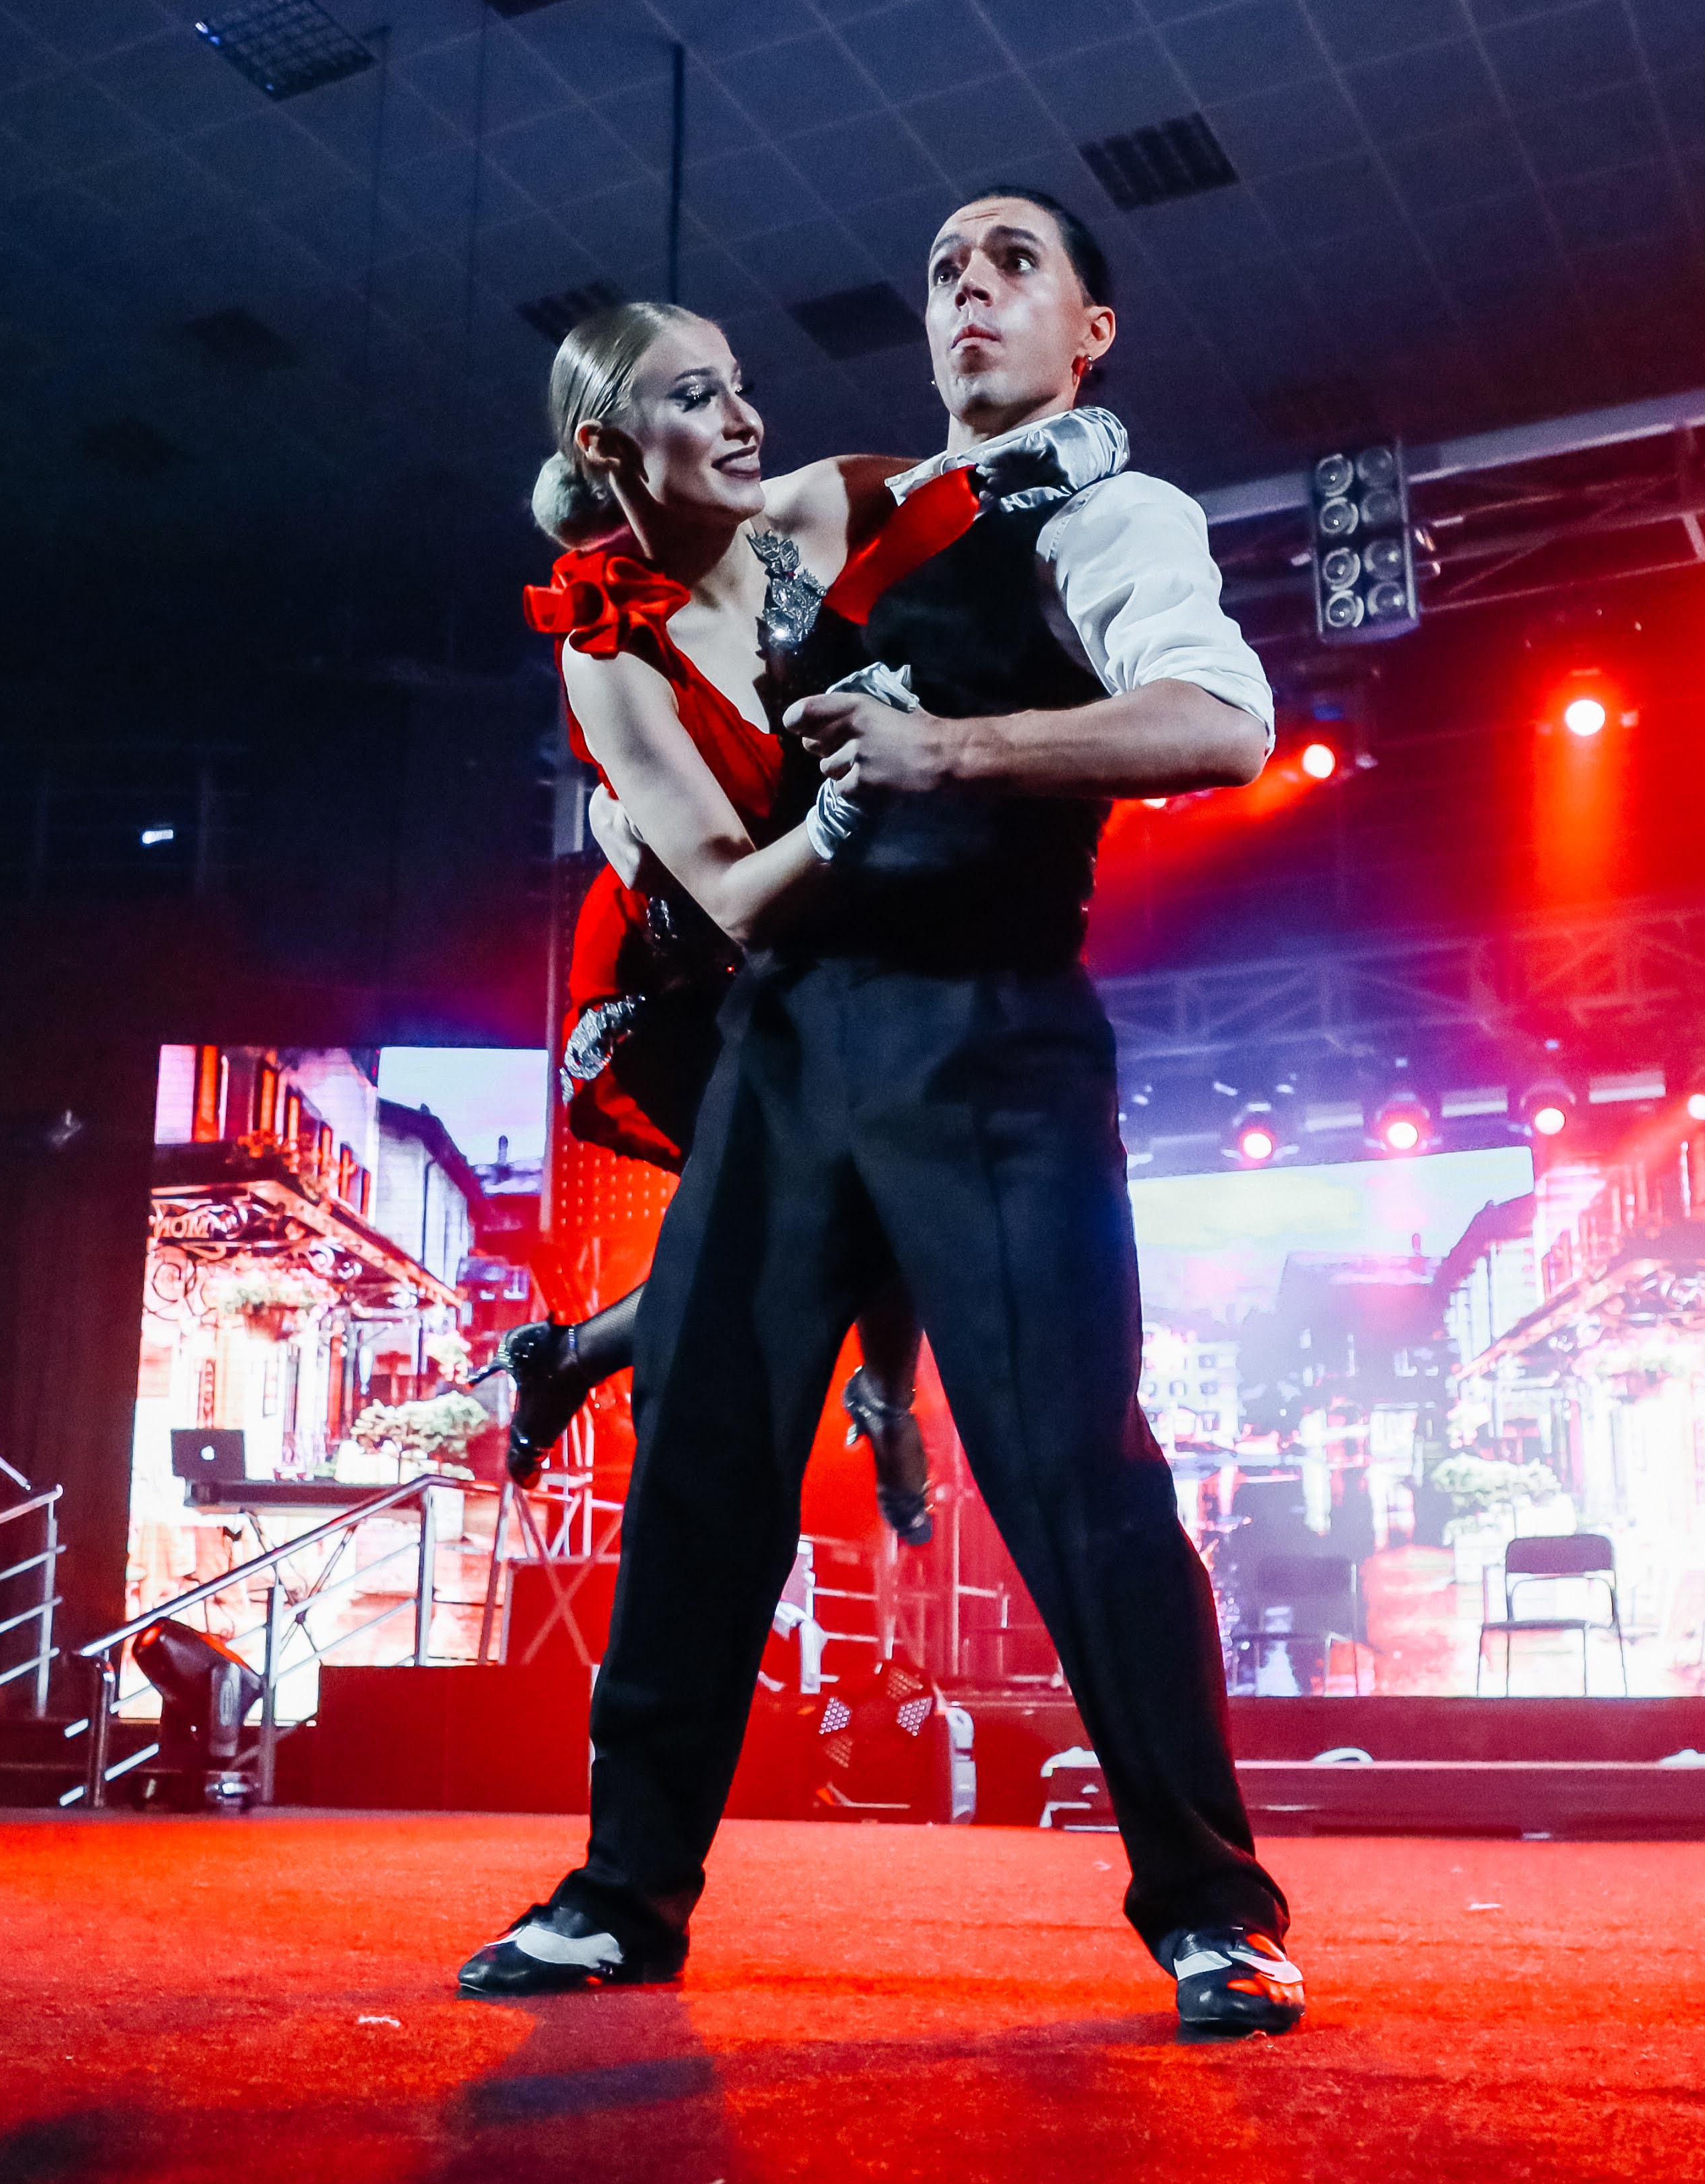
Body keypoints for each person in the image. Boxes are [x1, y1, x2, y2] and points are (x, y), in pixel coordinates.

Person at [459, 187, 1305, 2038]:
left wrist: (953, 749)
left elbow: (1222, 723)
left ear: (1089, 332)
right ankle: (622, 1896)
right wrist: (630, 771)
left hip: (989, 1029)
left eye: (1013, 263)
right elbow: (644, 538)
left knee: (1075, 1475)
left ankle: (1213, 1906)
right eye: (942, 270)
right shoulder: (845, 504)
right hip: (784, 1038)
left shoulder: (1111, 515)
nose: (969, 289)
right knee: (698, 1465)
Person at [495, 302, 944, 1544]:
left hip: (830, 938)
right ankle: (606, 1365)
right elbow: (736, 895)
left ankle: (590, 1356)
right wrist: (876, 782)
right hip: (694, 984)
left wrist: (1072, 451)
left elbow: (990, 489)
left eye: (739, 383)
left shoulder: (823, 504)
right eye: (696, 397)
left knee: (871, 1193)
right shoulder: (608, 649)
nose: (746, 419)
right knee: (822, 1225)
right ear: (607, 447)